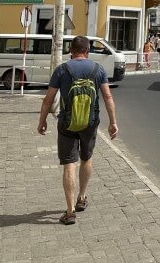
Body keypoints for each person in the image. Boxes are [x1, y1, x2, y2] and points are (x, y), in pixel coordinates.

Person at [38, 36, 117, 226]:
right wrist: (113, 122)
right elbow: (107, 96)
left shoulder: (62, 70)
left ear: (71, 51)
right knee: (86, 158)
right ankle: (82, 197)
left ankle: (70, 210)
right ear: (88, 51)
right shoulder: (98, 70)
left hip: (67, 123)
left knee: (69, 164)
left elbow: (48, 99)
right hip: (90, 122)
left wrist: (42, 121)